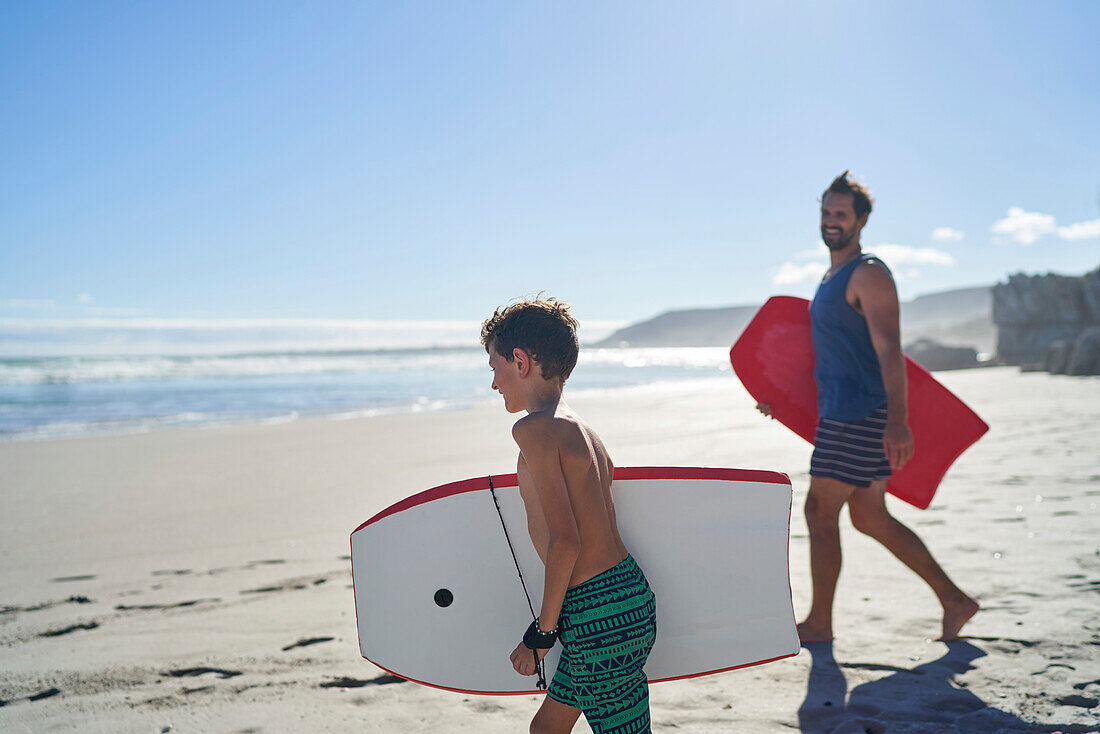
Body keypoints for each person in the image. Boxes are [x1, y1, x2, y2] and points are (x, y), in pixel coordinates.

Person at [760, 172, 979, 643]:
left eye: (840, 214)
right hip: (839, 410)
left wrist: (897, 422)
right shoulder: (830, 277)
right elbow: (826, 353)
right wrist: (780, 398)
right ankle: (955, 599)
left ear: (861, 220)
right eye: (825, 213)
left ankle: (820, 622)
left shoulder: (868, 273)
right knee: (869, 517)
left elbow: (888, 350)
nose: (831, 222)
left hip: (857, 414)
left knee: (820, 510)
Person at [481, 297, 657, 734]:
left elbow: (567, 540)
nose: (494, 384)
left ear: (520, 361)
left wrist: (542, 634)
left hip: (597, 616)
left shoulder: (535, 429)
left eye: (494, 367)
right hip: (624, 599)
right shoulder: (583, 430)